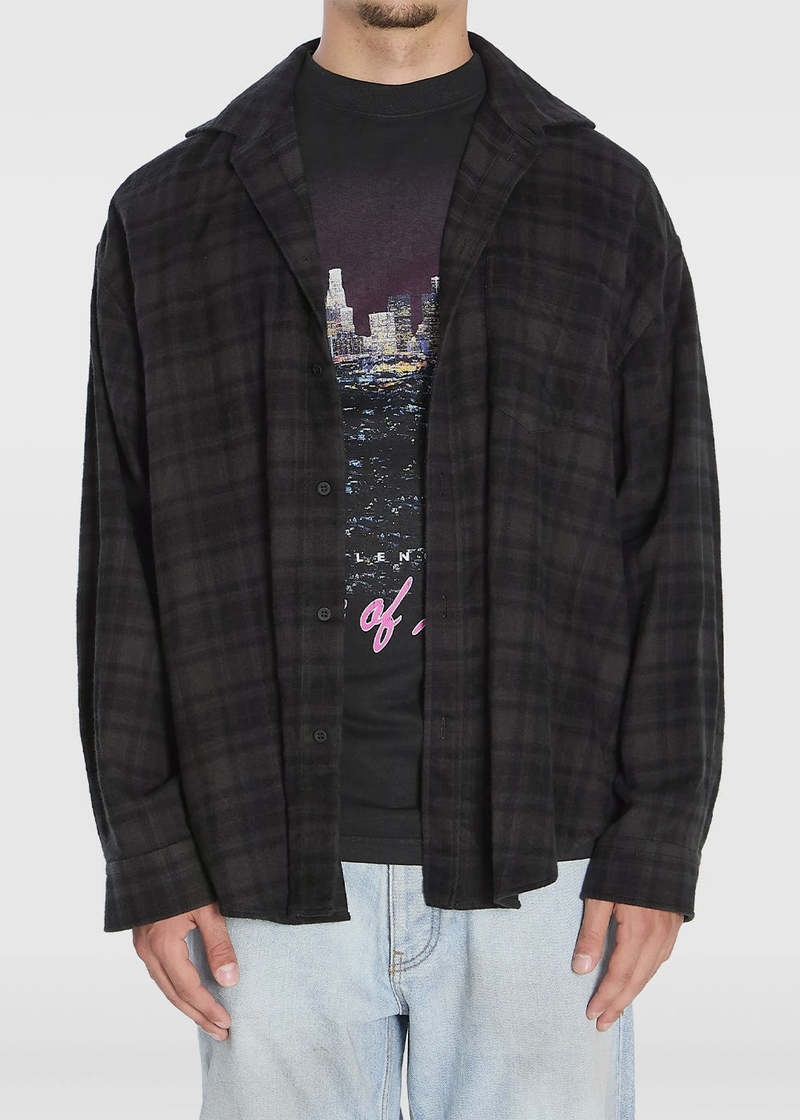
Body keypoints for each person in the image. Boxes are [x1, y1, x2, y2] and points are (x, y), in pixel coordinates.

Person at [75, 2, 724, 1117]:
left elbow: (672, 531)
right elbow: (118, 553)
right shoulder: (170, 211)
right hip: (259, 857)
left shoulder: (602, 199)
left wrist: (659, 839)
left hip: (546, 858)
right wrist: (148, 847)